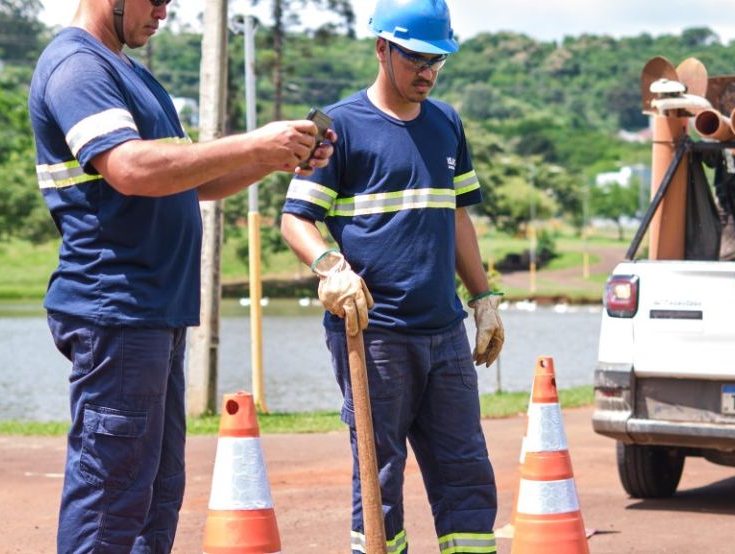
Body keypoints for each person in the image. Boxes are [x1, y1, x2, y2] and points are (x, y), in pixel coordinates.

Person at [28, 0, 335, 552]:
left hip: (154, 310)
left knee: (156, 492)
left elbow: (192, 179)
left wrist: (273, 157)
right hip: (117, 307)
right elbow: (129, 168)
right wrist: (252, 142)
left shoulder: (132, 75)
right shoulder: (78, 66)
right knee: (112, 493)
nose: (163, 12)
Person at [278, 1, 505, 552]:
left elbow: (457, 216)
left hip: (445, 334)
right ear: (382, 48)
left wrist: (484, 299)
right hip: (374, 335)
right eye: (416, 59)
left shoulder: (447, 123)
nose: (427, 72)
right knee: (379, 474)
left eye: (437, 60)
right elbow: (295, 219)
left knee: (466, 470)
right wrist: (330, 266)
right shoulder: (337, 127)